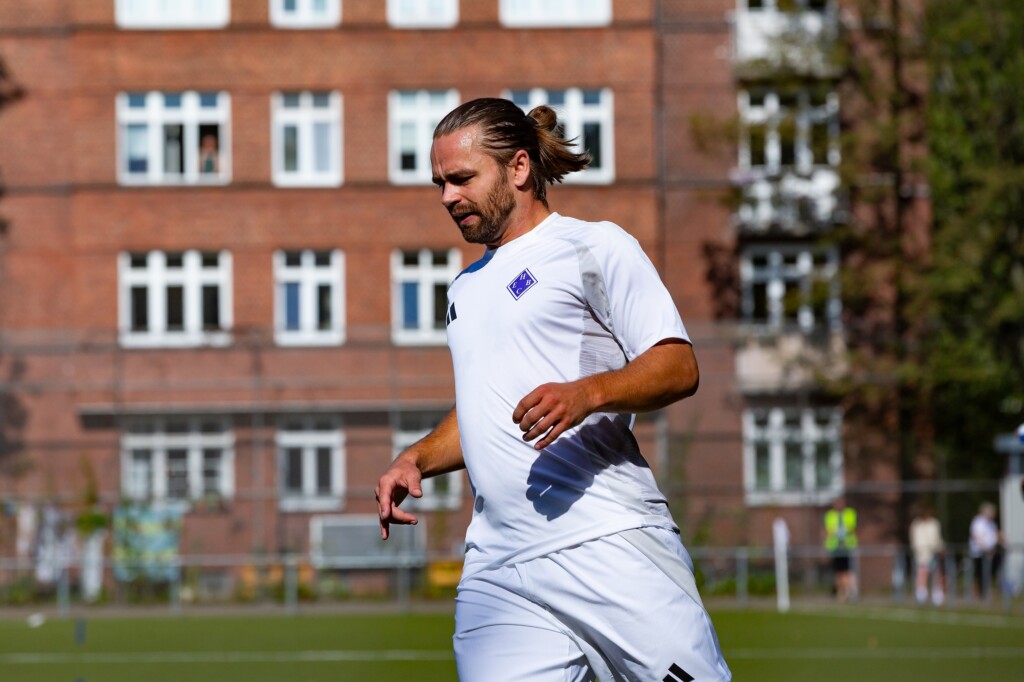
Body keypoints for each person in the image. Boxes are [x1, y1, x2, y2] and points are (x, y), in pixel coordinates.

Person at [376, 98, 731, 682]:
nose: (447, 197)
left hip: (605, 541)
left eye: (461, 178)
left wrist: (588, 393)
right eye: (439, 183)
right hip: (500, 569)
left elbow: (678, 366)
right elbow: (482, 412)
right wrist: (415, 457)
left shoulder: (594, 246)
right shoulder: (464, 289)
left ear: (518, 168)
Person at [908, 501, 945, 606]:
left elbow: (936, 539)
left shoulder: (934, 523)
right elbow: (915, 540)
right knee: (922, 574)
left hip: (933, 553)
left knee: (936, 574)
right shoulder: (916, 524)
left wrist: (939, 547)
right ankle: (921, 596)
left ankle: (937, 597)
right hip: (921, 555)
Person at [823, 496, 858, 602]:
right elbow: (828, 531)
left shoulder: (850, 513)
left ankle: (850, 592)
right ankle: (841, 593)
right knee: (838, 571)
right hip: (835, 547)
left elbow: (852, 528)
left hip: (848, 546)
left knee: (848, 571)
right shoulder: (830, 515)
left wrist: (842, 531)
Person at [969, 501, 1001, 600]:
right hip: (979, 552)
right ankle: (977, 594)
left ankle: (985, 592)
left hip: (990, 552)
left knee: (989, 573)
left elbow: (996, 536)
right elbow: (977, 537)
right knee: (978, 574)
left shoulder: (992, 524)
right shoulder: (978, 522)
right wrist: (986, 549)